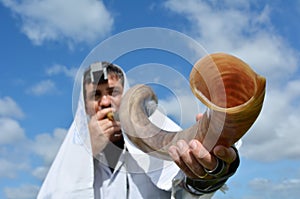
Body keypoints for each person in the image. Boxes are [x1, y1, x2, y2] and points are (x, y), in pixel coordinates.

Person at [38, 61, 240, 199]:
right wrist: (86, 148)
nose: (105, 102)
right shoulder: (73, 159)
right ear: (85, 106)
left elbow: (186, 190)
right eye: (96, 95)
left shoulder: (155, 133)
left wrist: (209, 174)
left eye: (113, 92)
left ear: (125, 95)